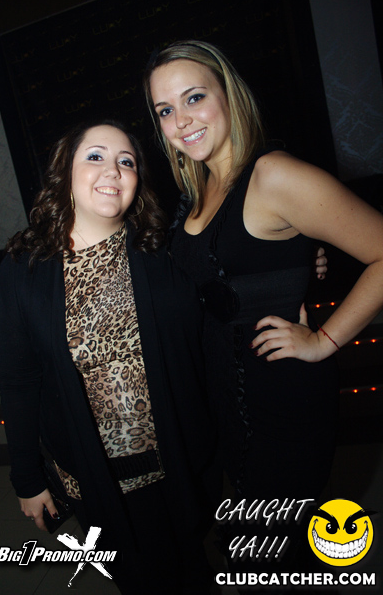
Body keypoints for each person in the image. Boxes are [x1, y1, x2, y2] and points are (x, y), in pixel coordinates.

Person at [144, 40, 383, 578]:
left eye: (194, 97)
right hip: (230, 403)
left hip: (283, 404)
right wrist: (296, 259)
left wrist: (323, 341)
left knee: (269, 561)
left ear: (228, 94)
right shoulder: (201, 187)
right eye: (165, 110)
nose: (181, 121)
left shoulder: (273, 174)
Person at [0, 120, 218, 595]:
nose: (113, 170)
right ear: (65, 172)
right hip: (92, 478)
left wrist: (297, 265)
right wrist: (27, 479)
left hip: (174, 465)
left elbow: (225, 284)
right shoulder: (22, 269)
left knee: (191, 575)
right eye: (95, 156)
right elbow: (18, 381)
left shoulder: (164, 249)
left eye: (126, 161)